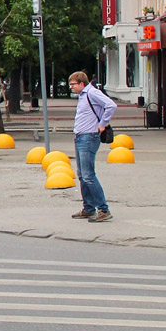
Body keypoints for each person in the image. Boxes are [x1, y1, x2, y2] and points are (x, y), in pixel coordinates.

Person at [69, 70, 116, 222]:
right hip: (81, 137)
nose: (71, 87)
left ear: (82, 83)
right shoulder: (84, 95)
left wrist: (102, 124)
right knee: (82, 175)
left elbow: (111, 105)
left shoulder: (92, 93)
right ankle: (88, 207)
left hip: (89, 137)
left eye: (73, 84)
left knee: (89, 175)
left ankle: (103, 209)